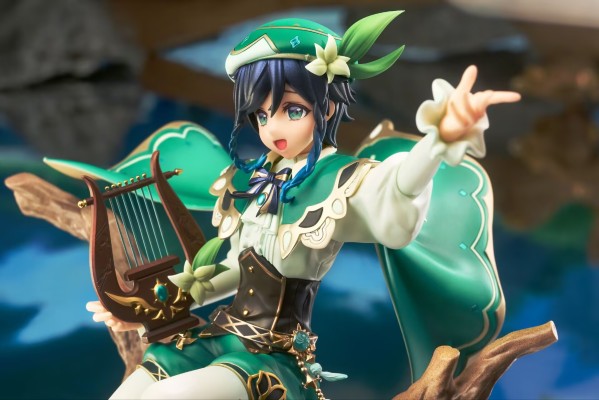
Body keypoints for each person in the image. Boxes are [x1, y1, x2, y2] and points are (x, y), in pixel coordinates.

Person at [81, 11, 520, 400]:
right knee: (134, 391)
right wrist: (144, 304)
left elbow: (397, 188)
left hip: (275, 356)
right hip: (220, 336)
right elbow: (233, 270)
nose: (272, 128)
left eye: (291, 110)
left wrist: (439, 140)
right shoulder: (253, 180)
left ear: (326, 107)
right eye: (261, 115)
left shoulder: (340, 181)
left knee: (172, 395)